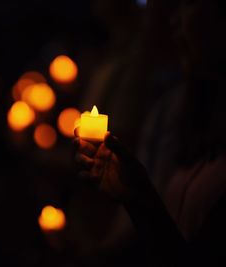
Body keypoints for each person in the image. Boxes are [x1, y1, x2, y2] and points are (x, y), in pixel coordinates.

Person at [74, 0, 226, 266]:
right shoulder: (199, 115)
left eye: (185, 4)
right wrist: (137, 197)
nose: (174, 21)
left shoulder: (162, 100)